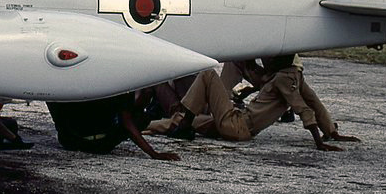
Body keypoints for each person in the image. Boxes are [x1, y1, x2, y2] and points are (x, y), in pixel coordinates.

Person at [145, 60, 346, 151]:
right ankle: (142, 127)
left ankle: (184, 125)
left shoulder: (286, 78)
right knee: (179, 120)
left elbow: (304, 109)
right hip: (237, 126)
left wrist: (319, 143)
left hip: (238, 125)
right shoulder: (290, 77)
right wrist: (331, 130)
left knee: (207, 75)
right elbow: (314, 101)